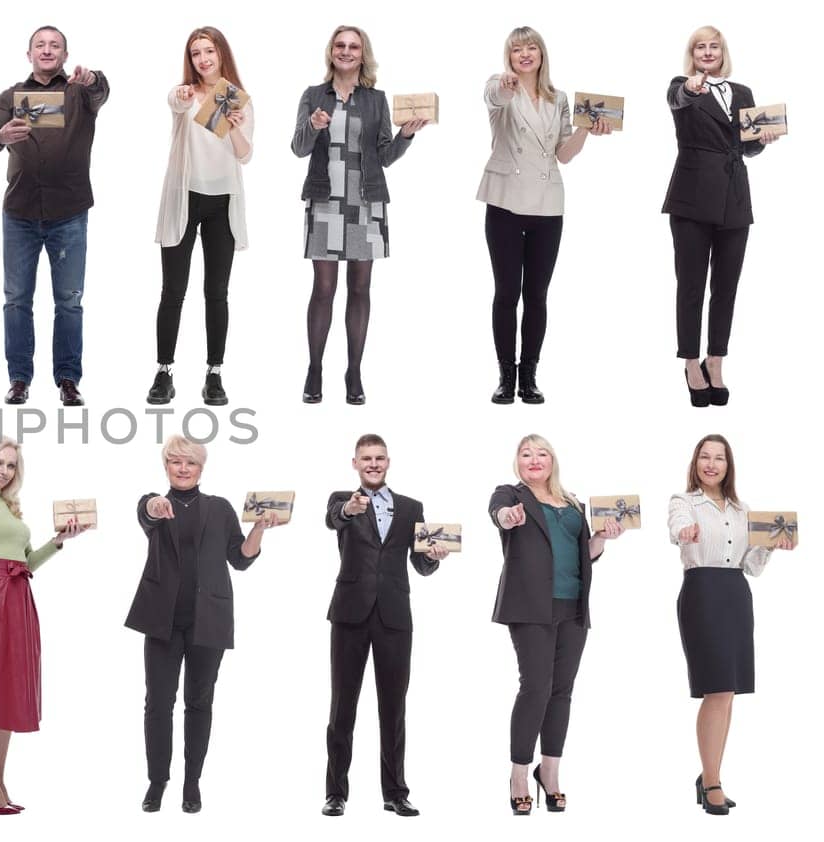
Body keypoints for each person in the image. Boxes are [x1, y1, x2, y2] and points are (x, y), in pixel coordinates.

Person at [124, 435, 276, 813]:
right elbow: (146, 512)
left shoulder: (220, 508)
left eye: (189, 463)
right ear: (166, 466)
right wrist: (154, 506)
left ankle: (192, 782)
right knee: (158, 704)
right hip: (162, 621)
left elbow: (240, 559)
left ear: (200, 467)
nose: (182, 468)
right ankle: (157, 782)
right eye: (175, 462)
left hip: (209, 621)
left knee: (199, 703)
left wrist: (258, 530)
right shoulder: (153, 504)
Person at [489, 434, 623, 814]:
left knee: (562, 691)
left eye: (542, 453)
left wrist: (601, 538)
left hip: (573, 606)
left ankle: (550, 772)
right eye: (526, 454)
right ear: (518, 461)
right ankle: (518, 774)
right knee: (536, 687)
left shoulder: (573, 502)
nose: (534, 459)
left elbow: (586, 554)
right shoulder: (510, 495)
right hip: (531, 606)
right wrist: (507, 517)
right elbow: (498, 513)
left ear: (553, 461)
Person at [292, 26, 426, 405]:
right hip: (325, 197)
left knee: (360, 287)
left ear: (363, 54)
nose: (346, 51)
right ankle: (315, 367)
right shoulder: (313, 95)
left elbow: (384, 155)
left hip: (366, 200)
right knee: (323, 288)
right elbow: (298, 148)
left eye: (353, 46)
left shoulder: (376, 100)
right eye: (340, 45)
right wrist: (313, 126)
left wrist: (406, 136)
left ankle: (354, 370)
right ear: (330, 51)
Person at [478, 27, 611, 405]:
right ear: (509, 57)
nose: (524, 54)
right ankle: (505, 376)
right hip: (504, 201)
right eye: (516, 49)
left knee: (537, 294)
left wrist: (586, 130)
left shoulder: (559, 98)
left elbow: (564, 154)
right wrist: (505, 83)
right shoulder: (498, 86)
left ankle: (529, 377)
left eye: (530, 47)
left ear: (541, 53)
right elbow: (496, 95)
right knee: (507, 292)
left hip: (548, 205)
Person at [0, 26, 110, 407]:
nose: (47, 50)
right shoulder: (11, 96)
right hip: (19, 212)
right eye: (41, 45)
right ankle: (19, 379)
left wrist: (93, 79)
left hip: (68, 213)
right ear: (29, 54)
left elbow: (102, 89)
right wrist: (1, 135)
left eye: (55, 45)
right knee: (16, 299)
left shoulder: (80, 93)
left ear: (65, 55)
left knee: (69, 301)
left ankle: (68, 380)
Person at [0, 437, 84, 813]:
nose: (3, 470)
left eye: (10, 466)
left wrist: (58, 541)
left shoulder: (10, 508)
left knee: (8, 687)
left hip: (17, 592)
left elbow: (27, 560)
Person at [319, 434, 447, 817]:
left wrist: (435, 557)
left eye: (379, 458)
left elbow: (421, 565)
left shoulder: (411, 508)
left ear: (388, 462)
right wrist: (350, 508)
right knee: (343, 706)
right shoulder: (343, 501)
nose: (373, 464)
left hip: (394, 616)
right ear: (355, 463)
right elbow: (332, 518)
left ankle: (395, 792)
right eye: (365, 459)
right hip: (349, 613)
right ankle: (335, 793)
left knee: (394, 707)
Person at [666, 434, 792, 814]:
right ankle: (712, 780)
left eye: (718, 458)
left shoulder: (742, 509)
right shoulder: (683, 502)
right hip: (702, 593)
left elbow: (750, 566)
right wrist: (684, 533)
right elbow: (677, 530)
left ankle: (710, 776)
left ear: (728, 465)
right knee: (716, 689)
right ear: (695, 462)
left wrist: (771, 544)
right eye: (704, 457)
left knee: (728, 691)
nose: (711, 464)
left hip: (736, 594)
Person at [665, 27, 781, 407]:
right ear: (693, 54)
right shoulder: (682, 87)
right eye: (701, 46)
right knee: (692, 286)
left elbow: (746, 147)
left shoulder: (742, 92)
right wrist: (691, 88)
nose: (708, 51)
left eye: (714, 46)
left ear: (723, 52)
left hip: (734, 196)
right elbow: (679, 98)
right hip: (692, 196)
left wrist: (760, 142)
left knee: (726, 287)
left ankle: (716, 359)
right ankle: (690, 362)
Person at [149, 27, 253, 407]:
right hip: (184, 198)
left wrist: (238, 128)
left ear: (221, 53)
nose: (203, 59)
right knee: (173, 290)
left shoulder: (237, 99)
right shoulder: (186, 94)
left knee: (217, 292)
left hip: (222, 203)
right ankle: (164, 371)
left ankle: (214, 373)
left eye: (209, 51)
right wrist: (180, 96)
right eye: (196, 53)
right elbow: (175, 103)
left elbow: (244, 155)